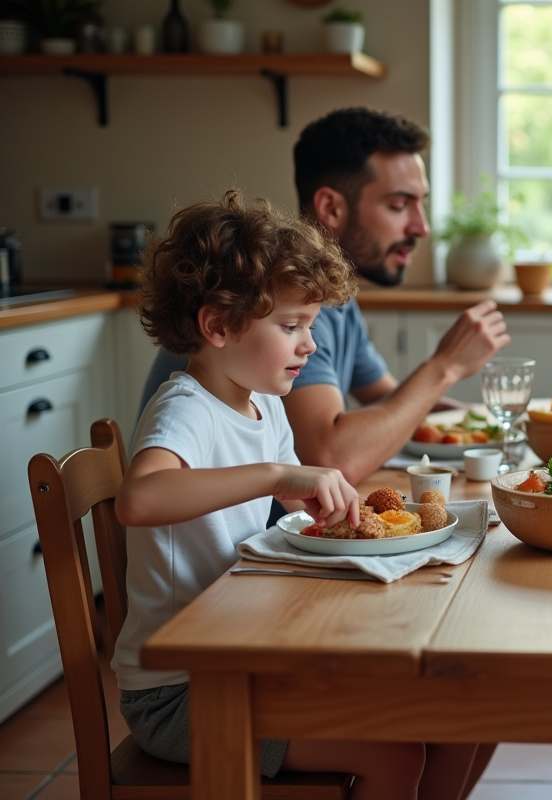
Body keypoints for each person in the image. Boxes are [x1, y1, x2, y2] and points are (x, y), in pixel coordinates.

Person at [115, 191, 485, 800]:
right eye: (291, 327)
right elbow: (141, 500)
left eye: (310, 325)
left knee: (458, 714)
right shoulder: (185, 409)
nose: (309, 346)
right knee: (395, 756)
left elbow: (300, 511)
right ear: (217, 325)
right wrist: (275, 476)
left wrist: (364, 525)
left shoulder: (262, 403)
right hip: (183, 692)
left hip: (248, 652)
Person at [140, 107, 510, 486]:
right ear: (331, 207)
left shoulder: (321, 300)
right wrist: (444, 367)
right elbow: (333, 458)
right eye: (399, 205)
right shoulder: (273, 301)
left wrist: (489, 420)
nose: (422, 226)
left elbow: (391, 402)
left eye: (421, 203)